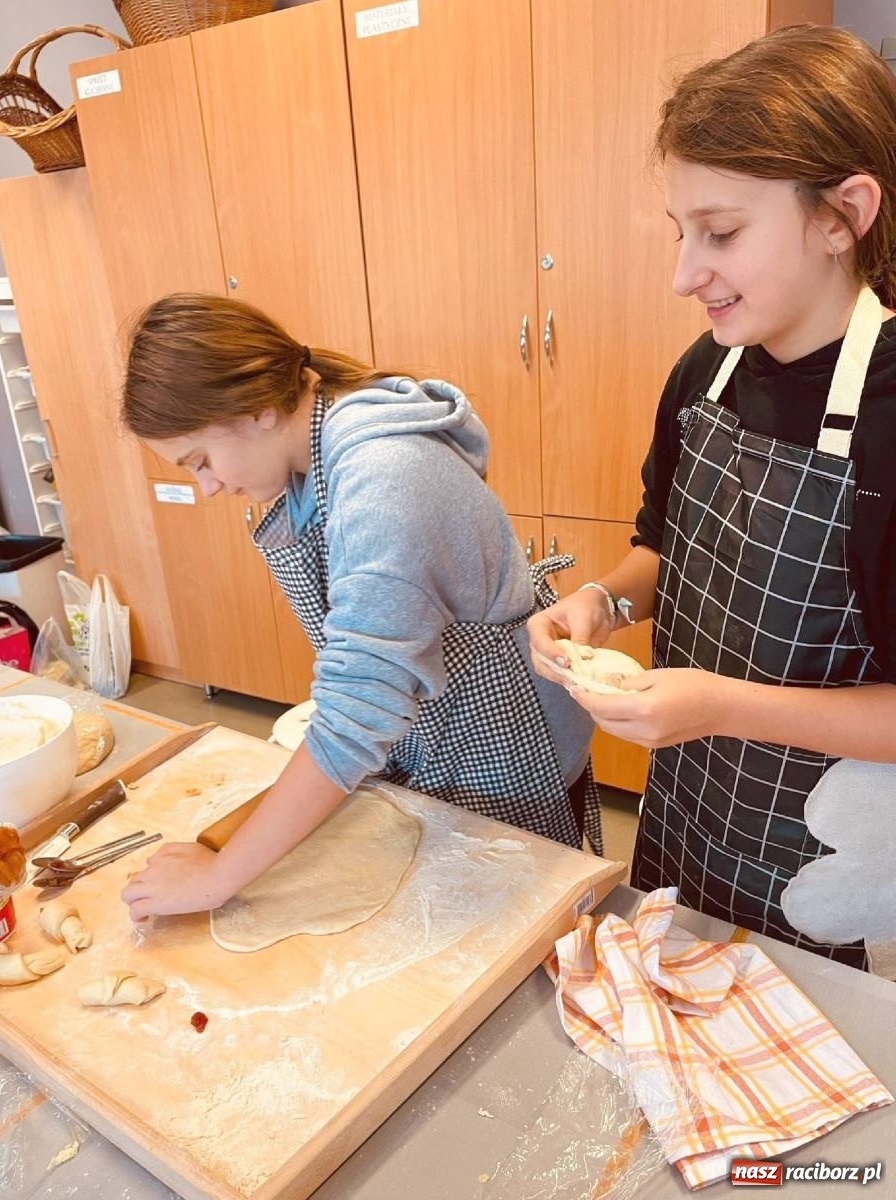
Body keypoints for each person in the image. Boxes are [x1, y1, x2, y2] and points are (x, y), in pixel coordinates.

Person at [529, 24, 896, 968]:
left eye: (722, 233)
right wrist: (603, 604)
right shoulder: (709, 371)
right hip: (686, 798)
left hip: (817, 843)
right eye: (681, 231)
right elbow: (664, 548)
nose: (684, 273)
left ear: (842, 213)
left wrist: (721, 705)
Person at [119, 294, 599, 919]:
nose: (206, 486)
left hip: (500, 741)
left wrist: (216, 879)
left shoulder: (384, 475)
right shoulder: (313, 460)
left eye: (201, 461)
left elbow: (357, 709)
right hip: (433, 728)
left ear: (258, 410)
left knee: (508, 932)